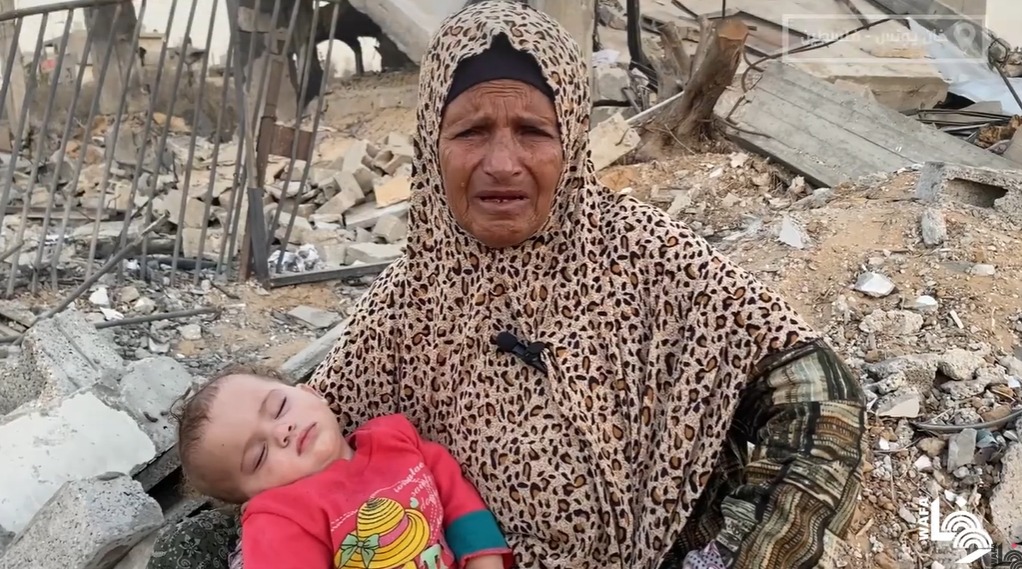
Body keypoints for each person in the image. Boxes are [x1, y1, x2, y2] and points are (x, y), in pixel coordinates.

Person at [148, 2, 866, 569]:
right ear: (432, 146)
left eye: (532, 130)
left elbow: (812, 387)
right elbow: (280, 464)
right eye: (470, 132)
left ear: (571, 140)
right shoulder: (403, 311)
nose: (501, 162)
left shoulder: (646, 252)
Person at [172, 365, 512, 569]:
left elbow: (458, 502)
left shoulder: (395, 438)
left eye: (279, 407)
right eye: (259, 455)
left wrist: (484, 560)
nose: (282, 431)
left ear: (311, 391)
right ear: (252, 497)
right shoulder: (279, 517)